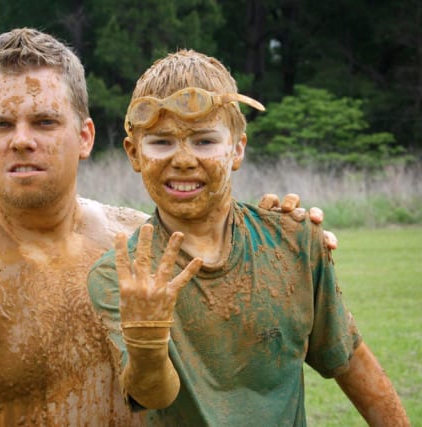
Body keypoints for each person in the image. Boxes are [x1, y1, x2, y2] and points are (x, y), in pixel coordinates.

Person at [0, 29, 330, 426]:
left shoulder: (146, 244)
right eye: (1, 125)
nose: (22, 141)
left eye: (46, 121)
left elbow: (251, 335)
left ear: (85, 136)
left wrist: (287, 238)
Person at [87, 50, 410, 426]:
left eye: (205, 141)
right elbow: (155, 395)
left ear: (237, 148)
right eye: (161, 143)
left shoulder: (295, 242)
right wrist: (147, 339)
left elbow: (350, 361)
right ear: (134, 153)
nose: (184, 159)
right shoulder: (119, 278)